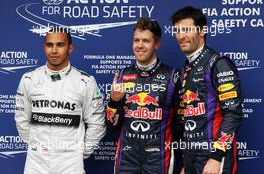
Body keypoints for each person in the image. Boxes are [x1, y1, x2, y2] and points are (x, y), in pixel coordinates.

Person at [15, 28, 106, 174]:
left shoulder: (85, 82)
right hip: (36, 163)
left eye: (60, 45)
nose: (54, 50)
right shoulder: (29, 79)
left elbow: (97, 124)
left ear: (70, 48)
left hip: (70, 164)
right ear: (44, 47)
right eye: (50, 45)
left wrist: (79, 153)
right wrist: (36, 147)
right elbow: (21, 120)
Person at [171, 6, 243, 174]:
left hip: (214, 157)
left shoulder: (218, 63)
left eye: (187, 29)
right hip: (192, 156)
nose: (181, 36)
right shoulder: (187, 68)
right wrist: (187, 163)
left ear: (202, 30)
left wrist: (217, 156)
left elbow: (233, 113)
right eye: (177, 31)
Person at [106, 17, 182, 174]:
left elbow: (183, 125)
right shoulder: (122, 75)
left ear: (157, 44)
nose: (139, 45)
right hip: (127, 157)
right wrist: (113, 102)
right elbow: (112, 125)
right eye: (136, 40)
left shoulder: (173, 76)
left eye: (146, 41)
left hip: (158, 158)